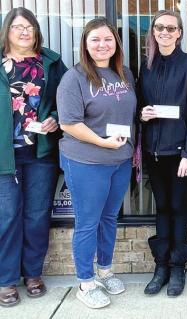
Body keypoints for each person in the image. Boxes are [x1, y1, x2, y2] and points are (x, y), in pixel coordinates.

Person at [57, 18, 137, 309]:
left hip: (120, 160)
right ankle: (86, 282)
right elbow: (68, 123)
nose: (102, 45)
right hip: (86, 161)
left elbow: (127, 113)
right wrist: (102, 142)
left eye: (108, 39)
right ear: (85, 45)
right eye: (95, 40)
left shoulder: (124, 73)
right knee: (88, 223)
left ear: (116, 44)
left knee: (109, 218)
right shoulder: (74, 78)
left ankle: (104, 270)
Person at [0, 7, 67, 307]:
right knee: (7, 217)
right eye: (17, 26)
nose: (24, 31)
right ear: (7, 31)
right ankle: (6, 280)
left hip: (40, 152)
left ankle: (33, 274)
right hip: (5, 157)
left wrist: (54, 117)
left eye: (29, 26)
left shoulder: (50, 63)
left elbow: (67, 101)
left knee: (38, 215)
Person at [139, 10, 187, 297]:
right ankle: (161, 266)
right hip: (153, 151)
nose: (164, 32)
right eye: (159, 28)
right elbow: (137, 106)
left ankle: (178, 267)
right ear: (153, 32)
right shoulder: (146, 65)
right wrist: (142, 114)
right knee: (162, 208)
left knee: (178, 209)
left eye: (171, 28)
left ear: (179, 33)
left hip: (180, 154)